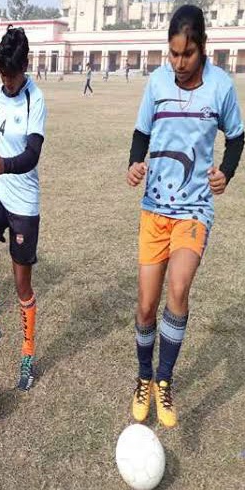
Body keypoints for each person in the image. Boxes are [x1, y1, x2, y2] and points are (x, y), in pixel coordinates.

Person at [127, 5, 244, 428]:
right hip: (154, 210)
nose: (178, 63)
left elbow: (236, 137)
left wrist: (225, 173)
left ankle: (163, 380)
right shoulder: (157, 82)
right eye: (173, 54)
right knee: (145, 307)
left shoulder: (221, 88)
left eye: (187, 54)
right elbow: (142, 132)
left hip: (193, 210)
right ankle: (142, 377)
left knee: (178, 289)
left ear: (203, 49)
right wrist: (134, 164)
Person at [0, 26, 46, 391]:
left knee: (21, 285)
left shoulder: (36, 99)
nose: (6, 80)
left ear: (24, 67)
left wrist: (3, 163)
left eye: (11, 74)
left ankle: (28, 354)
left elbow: (32, 155)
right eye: (1, 73)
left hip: (24, 202)